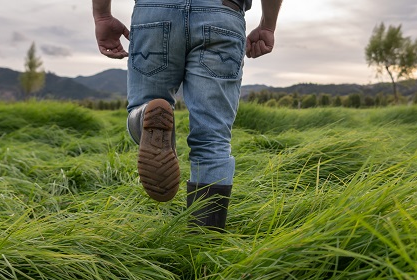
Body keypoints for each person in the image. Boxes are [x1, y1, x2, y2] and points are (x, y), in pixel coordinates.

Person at [92, 0, 281, 229]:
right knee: (213, 140)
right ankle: (205, 242)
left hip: (155, 11)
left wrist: (102, 15)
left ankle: (143, 118)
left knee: (145, 104)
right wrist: (267, 25)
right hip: (223, 12)